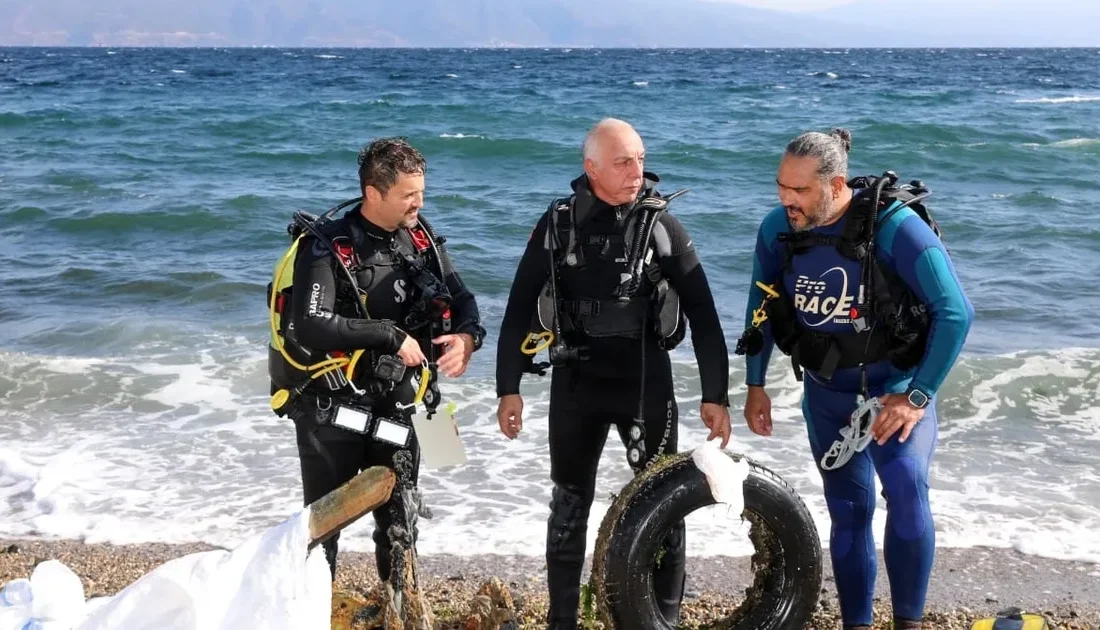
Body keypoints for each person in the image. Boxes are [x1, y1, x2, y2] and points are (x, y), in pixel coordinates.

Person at [494, 118, 733, 629]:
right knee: (568, 505)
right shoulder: (558, 223)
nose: (637, 171)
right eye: (623, 162)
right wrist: (507, 388)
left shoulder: (662, 226)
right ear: (591, 168)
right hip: (576, 383)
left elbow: (706, 316)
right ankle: (563, 621)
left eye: (641, 159)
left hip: (646, 383)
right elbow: (517, 308)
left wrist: (717, 394)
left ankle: (661, 618)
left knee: (664, 506)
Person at [737, 128, 974, 630]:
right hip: (827, 395)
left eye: (799, 190)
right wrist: (755, 384)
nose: (786, 200)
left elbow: (955, 313)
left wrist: (915, 396)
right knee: (849, 510)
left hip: (894, 390)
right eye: (781, 186)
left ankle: (908, 623)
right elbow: (760, 308)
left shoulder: (894, 226)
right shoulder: (777, 229)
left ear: (836, 182)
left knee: (906, 487)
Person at [266, 137, 487, 585]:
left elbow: (461, 297)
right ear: (374, 193)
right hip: (332, 411)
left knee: (401, 524)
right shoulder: (327, 248)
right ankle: (313, 614)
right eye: (408, 195)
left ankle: (399, 609)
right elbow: (311, 323)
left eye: (421, 192)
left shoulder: (419, 236)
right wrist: (390, 335)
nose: (419, 203)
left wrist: (468, 338)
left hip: (401, 405)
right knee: (323, 530)